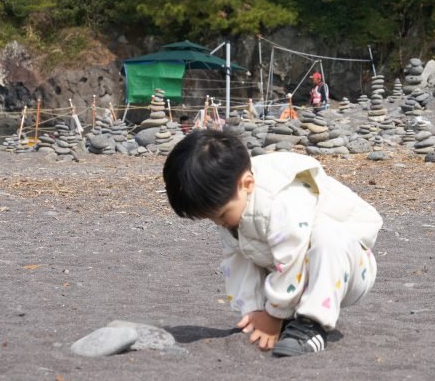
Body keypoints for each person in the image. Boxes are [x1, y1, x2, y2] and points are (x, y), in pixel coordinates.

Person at [163, 129, 382, 356]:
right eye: (211, 219)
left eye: (221, 215)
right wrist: (255, 311)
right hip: (295, 271)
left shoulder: (281, 198)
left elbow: (293, 256)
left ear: (247, 184)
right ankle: (288, 318)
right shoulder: (233, 201)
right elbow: (237, 262)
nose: (219, 223)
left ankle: (312, 325)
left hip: (348, 268)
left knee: (326, 235)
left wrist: (274, 313)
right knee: (245, 246)